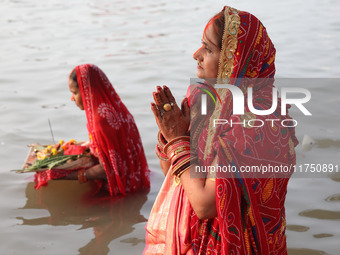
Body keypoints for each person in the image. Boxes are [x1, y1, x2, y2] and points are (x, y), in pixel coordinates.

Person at [144, 6, 298, 255]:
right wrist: (171, 135)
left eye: (208, 48)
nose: (197, 54)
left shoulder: (256, 122)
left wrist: (178, 140)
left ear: (233, 58)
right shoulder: (206, 100)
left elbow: (205, 204)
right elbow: (173, 175)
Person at [34, 64, 150, 196]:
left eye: (74, 93)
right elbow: (114, 146)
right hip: (136, 178)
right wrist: (87, 146)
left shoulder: (100, 122)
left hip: (121, 190)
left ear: (88, 92)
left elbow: (107, 170)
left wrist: (64, 175)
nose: (72, 98)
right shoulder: (116, 109)